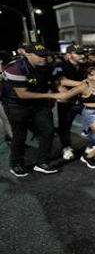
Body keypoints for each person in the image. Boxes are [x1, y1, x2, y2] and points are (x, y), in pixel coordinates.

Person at [2, 43, 61, 177]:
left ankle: (42, 162)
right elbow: (23, 94)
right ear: (28, 54)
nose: (43, 58)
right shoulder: (15, 69)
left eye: (45, 55)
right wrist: (53, 95)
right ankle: (16, 163)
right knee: (19, 135)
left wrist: (61, 91)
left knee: (48, 130)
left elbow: (55, 83)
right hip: (16, 105)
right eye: (39, 55)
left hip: (39, 104)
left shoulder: (47, 66)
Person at [53, 44, 87, 161]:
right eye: (78, 53)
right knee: (65, 126)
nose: (82, 55)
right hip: (66, 102)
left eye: (82, 53)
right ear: (69, 55)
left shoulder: (84, 66)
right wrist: (84, 83)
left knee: (93, 122)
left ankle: (93, 145)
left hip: (82, 100)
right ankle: (66, 147)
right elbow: (63, 81)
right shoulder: (60, 65)